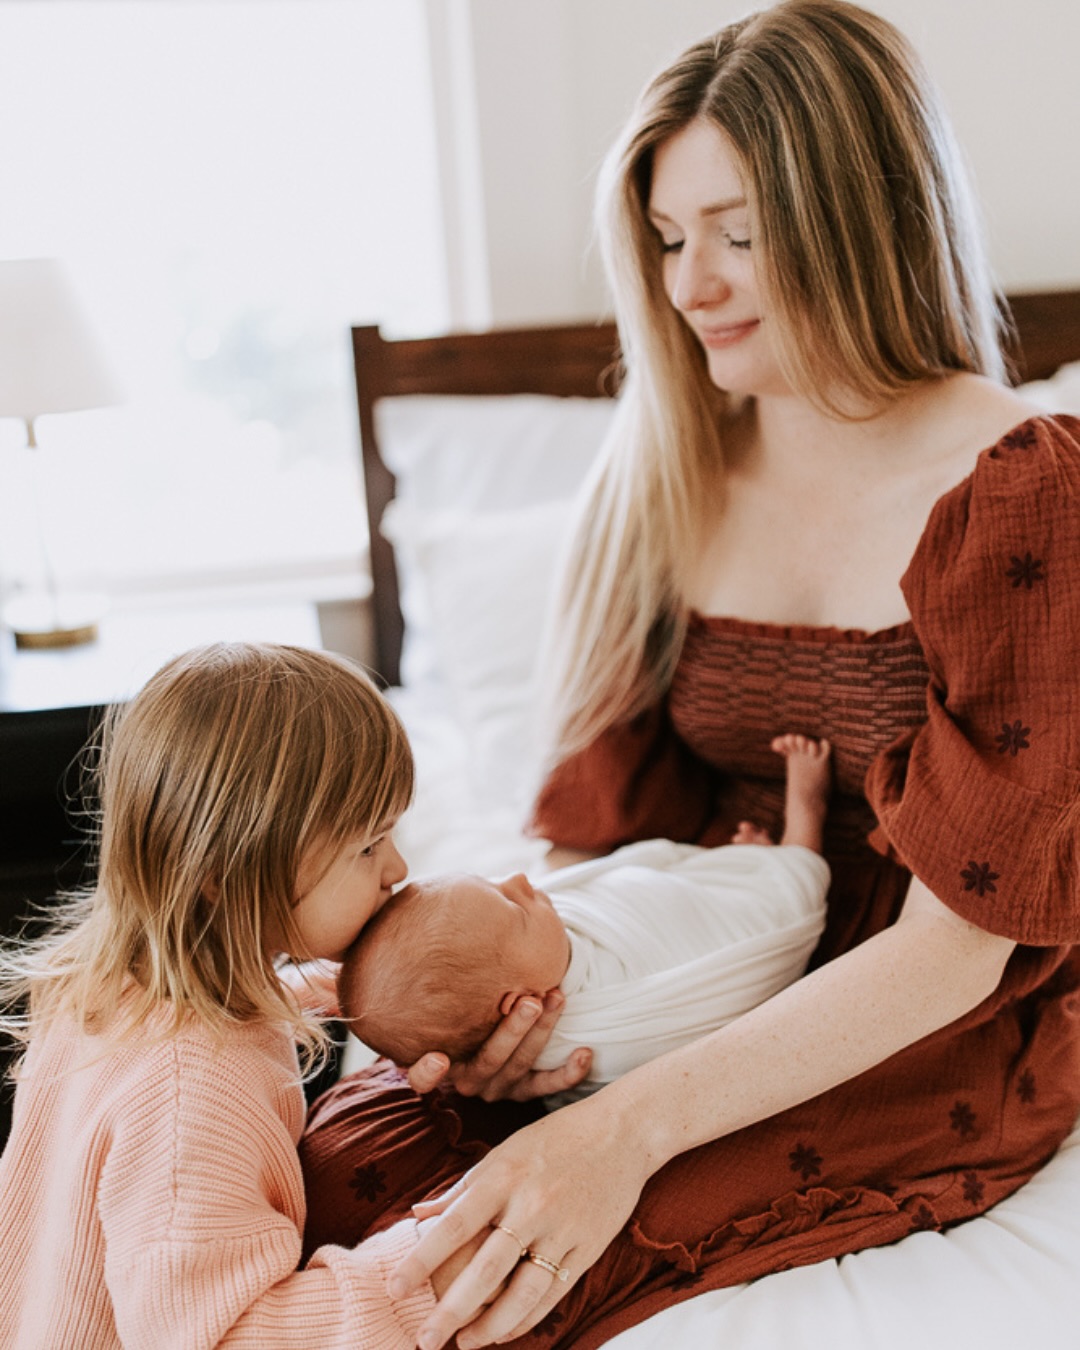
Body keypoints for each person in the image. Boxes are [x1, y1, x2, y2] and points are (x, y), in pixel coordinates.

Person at [299, 4, 1080, 1348]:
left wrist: (623, 1129)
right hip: (685, 960)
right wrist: (532, 1010)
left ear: (865, 213)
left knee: (505, 1277)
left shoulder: (1030, 490)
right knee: (341, 1169)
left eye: (738, 231)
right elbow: (596, 835)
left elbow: (963, 942)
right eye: (667, 239)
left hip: (913, 1014)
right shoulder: (666, 472)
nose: (689, 283)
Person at [0, 641, 488, 1348]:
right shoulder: (190, 1093)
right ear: (228, 872)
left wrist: (341, 993)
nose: (399, 868)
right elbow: (223, 1336)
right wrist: (422, 1269)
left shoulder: (109, 986)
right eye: (367, 846)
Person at [339, 735, 831, 1098]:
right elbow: (719, 974)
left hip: (697, 885)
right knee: (780, 896)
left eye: (493, 881)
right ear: (518, 1004)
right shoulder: (609, 1022)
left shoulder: (528, 957)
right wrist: (773, 874)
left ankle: (735, 873)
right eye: (511, 904)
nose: (521, 880)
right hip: (765, 937)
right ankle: (798, 828)